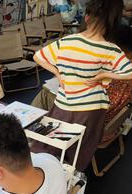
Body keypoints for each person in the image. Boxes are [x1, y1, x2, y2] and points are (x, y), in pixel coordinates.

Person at [32, 0, 132, 171]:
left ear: (86, 18)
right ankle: (71, 179)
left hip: (64, 104)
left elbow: (37, 56)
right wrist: (105, 74)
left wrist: (57, 72)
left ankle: (44, 174)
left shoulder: (67, 41)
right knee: (78, 150)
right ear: (112, 24)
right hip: (91, 110)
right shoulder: (111, 50)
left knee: (51, 141)